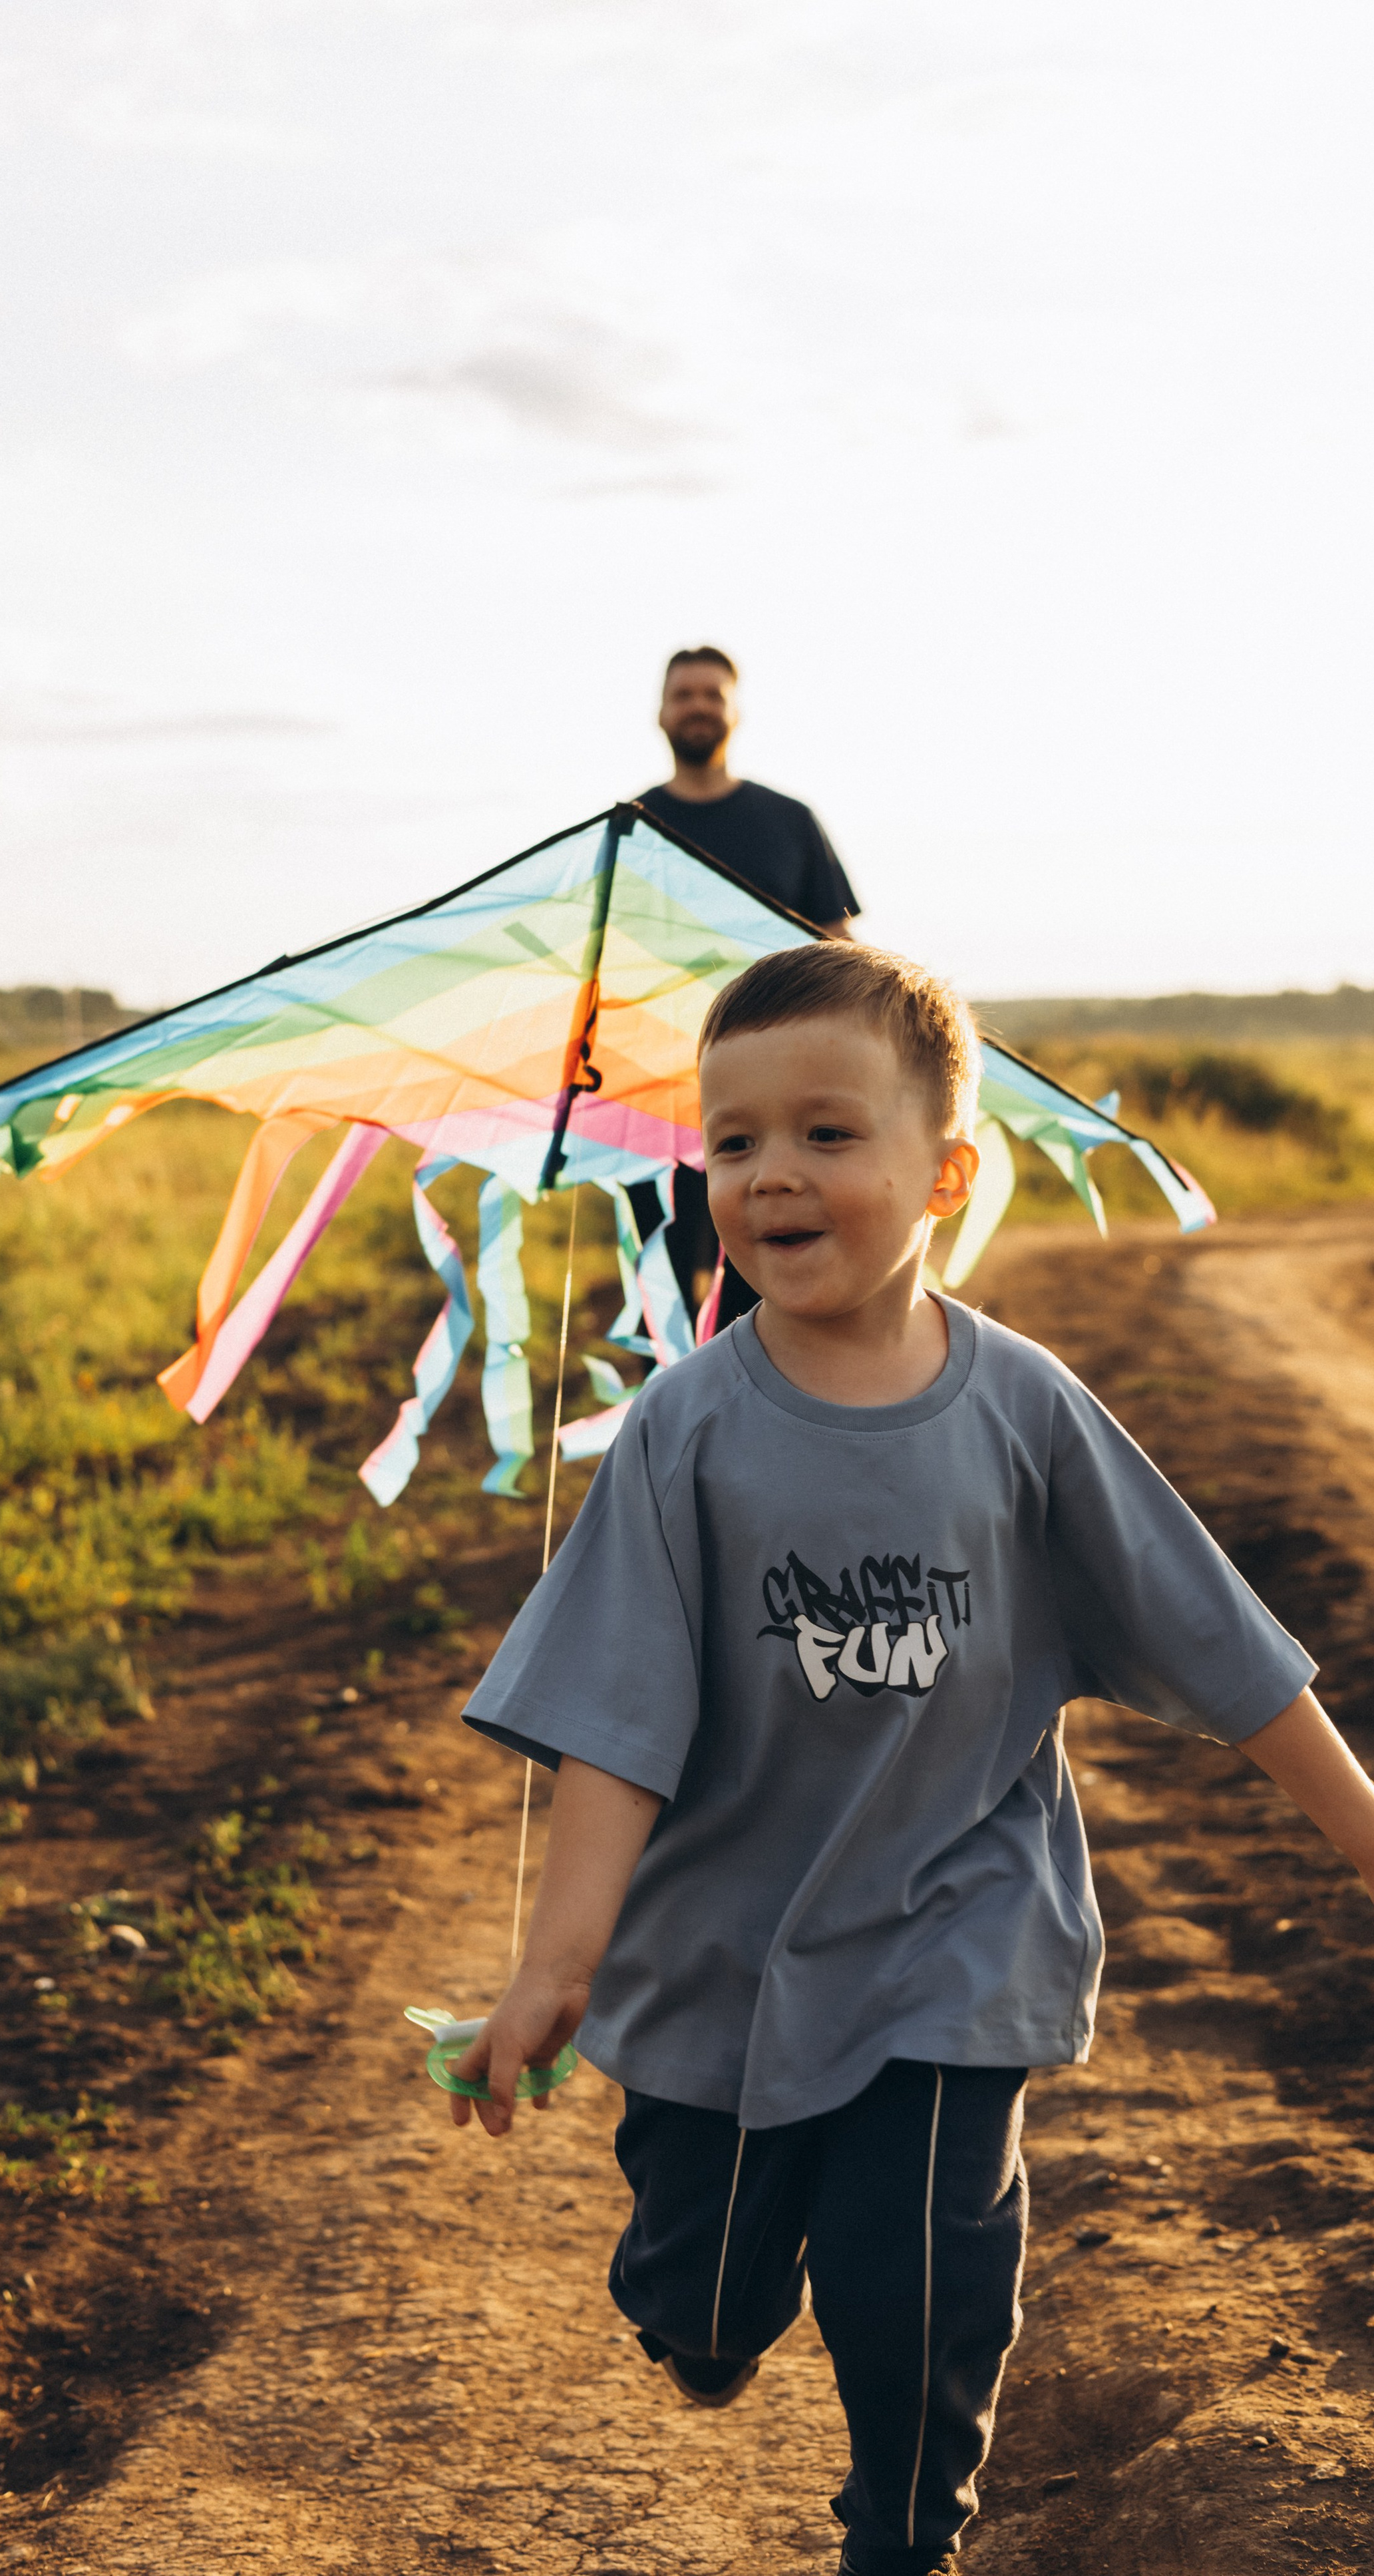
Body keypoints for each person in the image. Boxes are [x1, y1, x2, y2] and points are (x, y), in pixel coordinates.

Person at [448, 939, 1374, 2576]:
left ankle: (903, 2529)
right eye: (732, 1142)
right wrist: (554, 1969)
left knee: (920, 2260)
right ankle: (703, 2322)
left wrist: (1361, 1830)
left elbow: (1215, 1638)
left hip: (955, 1928)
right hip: (723, 1957)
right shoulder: (685, 1431)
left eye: (825, 1134)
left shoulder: (1021, 1409)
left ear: (943, 1173)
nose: (769, 1175)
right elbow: (612, 1729)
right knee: (703, 2299)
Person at [637, 645, 861, 1325]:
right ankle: (669, 1389)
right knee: (663, 1278)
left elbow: (840, 951)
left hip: (778, 1095)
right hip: (654, 1090)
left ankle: (763, 1383)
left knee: (765, 1274)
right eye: (684, 694)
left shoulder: (789, 821)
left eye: (712, 694)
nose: (698, 706)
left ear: (735, 711)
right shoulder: (633, 827)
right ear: (661, 713)